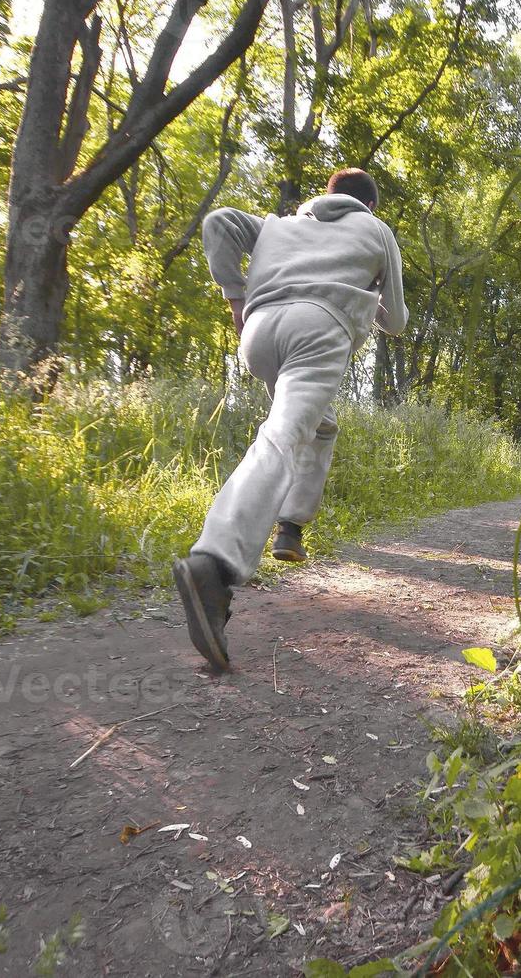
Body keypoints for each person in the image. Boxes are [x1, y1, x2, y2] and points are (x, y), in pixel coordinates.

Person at [173, 168, 408, 670]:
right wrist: (373, 297)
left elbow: (217, 223)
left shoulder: (278, 224)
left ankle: (291, 527)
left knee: (319, 426)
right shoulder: (377, 231)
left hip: (258, 333)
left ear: (328, 196)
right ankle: (214, 565)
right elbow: (399, 321)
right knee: (281, 436)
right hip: (318, 329)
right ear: (369, 204)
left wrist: (235, 296)